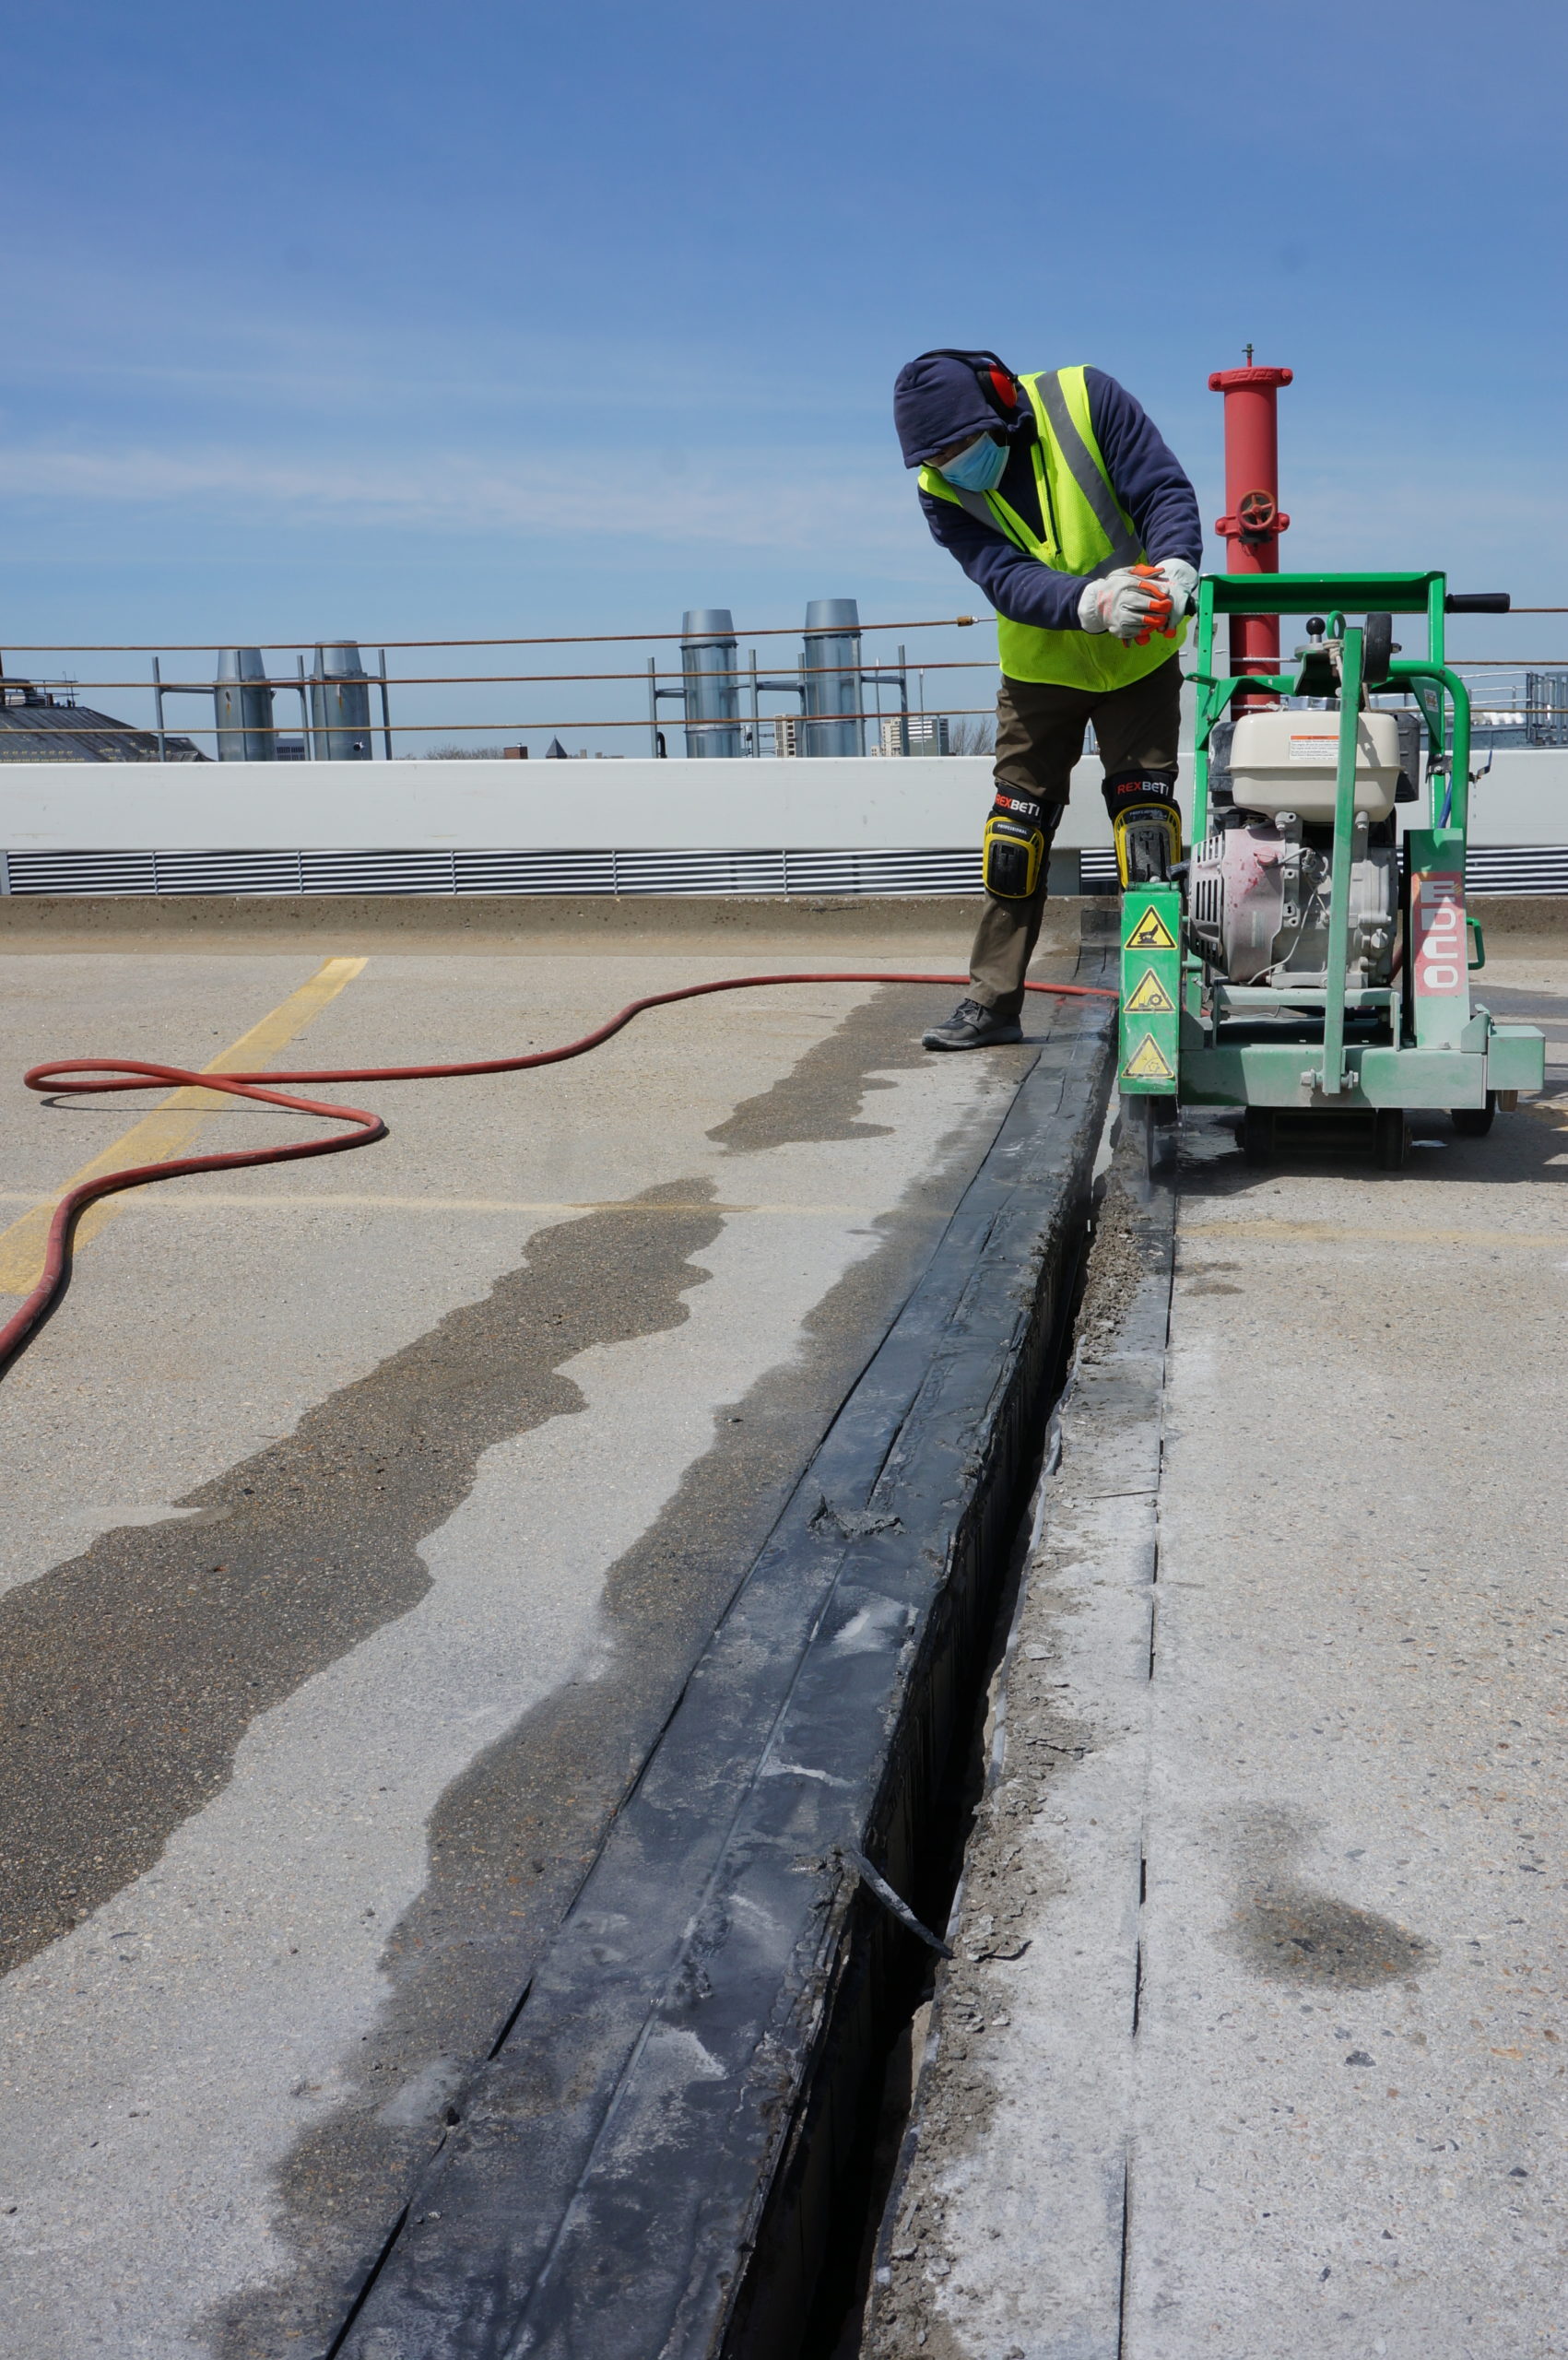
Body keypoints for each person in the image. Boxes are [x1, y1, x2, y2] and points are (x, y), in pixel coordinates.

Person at [892, 348, 1202, 1049]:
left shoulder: (1085, 400)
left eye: (959, 447)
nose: (949, 464)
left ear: (997, 404)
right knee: (1014, 835)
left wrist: (1177, 566)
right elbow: (1001, 575)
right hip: (1039, 669)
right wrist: (1091, 601)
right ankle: (992, 1004)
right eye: (934, 457)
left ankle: (1159, 999)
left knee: (1146, 832)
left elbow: (1160, 490)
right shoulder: (939, 487)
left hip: (1140, 655)